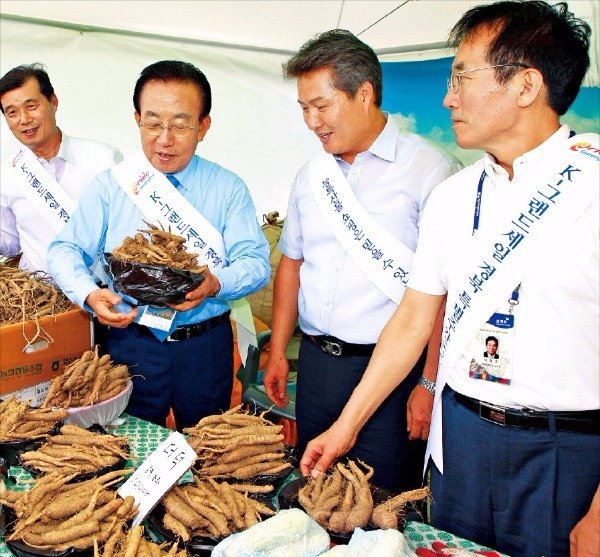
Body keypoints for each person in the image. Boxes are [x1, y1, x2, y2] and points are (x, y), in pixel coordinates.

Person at [299, 2, 599, 555]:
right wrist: (346, 427)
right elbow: (414, 319)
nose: (448, 97)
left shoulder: (591, 187)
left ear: (526, 85)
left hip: (566, 454)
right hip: (460, 442)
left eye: (462, 76)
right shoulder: (455, 198)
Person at [263, 29, 461, 494]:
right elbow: (291, 264)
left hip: (391, 375)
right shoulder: (311, 176)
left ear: (364, 94)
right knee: (314, 490)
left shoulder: (431, 170)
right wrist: (277, 354)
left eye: (322, 105)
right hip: (315, 365)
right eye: (303, 109)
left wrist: (429, 384)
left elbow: (446, 296)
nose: (312, 121)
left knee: (381, 504)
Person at [47, 60, 270, 430]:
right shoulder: (112, 185)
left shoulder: (228, 188)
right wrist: (88, 293)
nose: (164, 139)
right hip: (131, 342)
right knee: (124, 442)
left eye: (180, 125)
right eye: (152, 124)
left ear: (204, 125)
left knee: (207, 447)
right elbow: (65, 248)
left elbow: (256, 262)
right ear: (137, 119)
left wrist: (215, 283)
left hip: (203, 347)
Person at [0, 64, 122, 274]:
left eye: (31, 106)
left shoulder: (102, 158)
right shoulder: (7, 174)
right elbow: (11, 244)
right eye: (12, 112)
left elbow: (125, 231)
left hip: (98, 294)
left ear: (53, 102)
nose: (24, 119)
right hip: (39, 299)